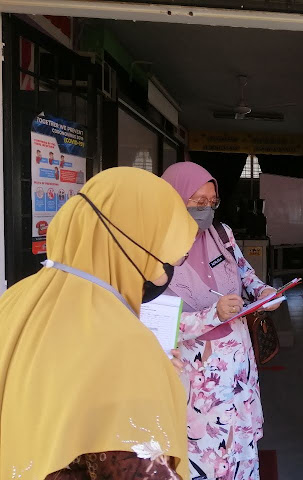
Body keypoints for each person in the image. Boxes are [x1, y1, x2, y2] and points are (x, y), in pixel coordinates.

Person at [0, 167, 198, 479]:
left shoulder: (14, 299)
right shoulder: (125, 344)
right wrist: (156, 380)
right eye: (172, 254)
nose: (172, 266)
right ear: (137, 245)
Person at [162, 161, 281, 480]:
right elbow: (156, 323)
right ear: (174, 198)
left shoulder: (221, 233)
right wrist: (213, 314)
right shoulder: (155, 249)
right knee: (205, 452)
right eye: (198, 201)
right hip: (198, 374)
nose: (206, 210)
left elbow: (245, 272)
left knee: (240, 444)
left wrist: (263, 291)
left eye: (211, 202)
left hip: (238, 363)